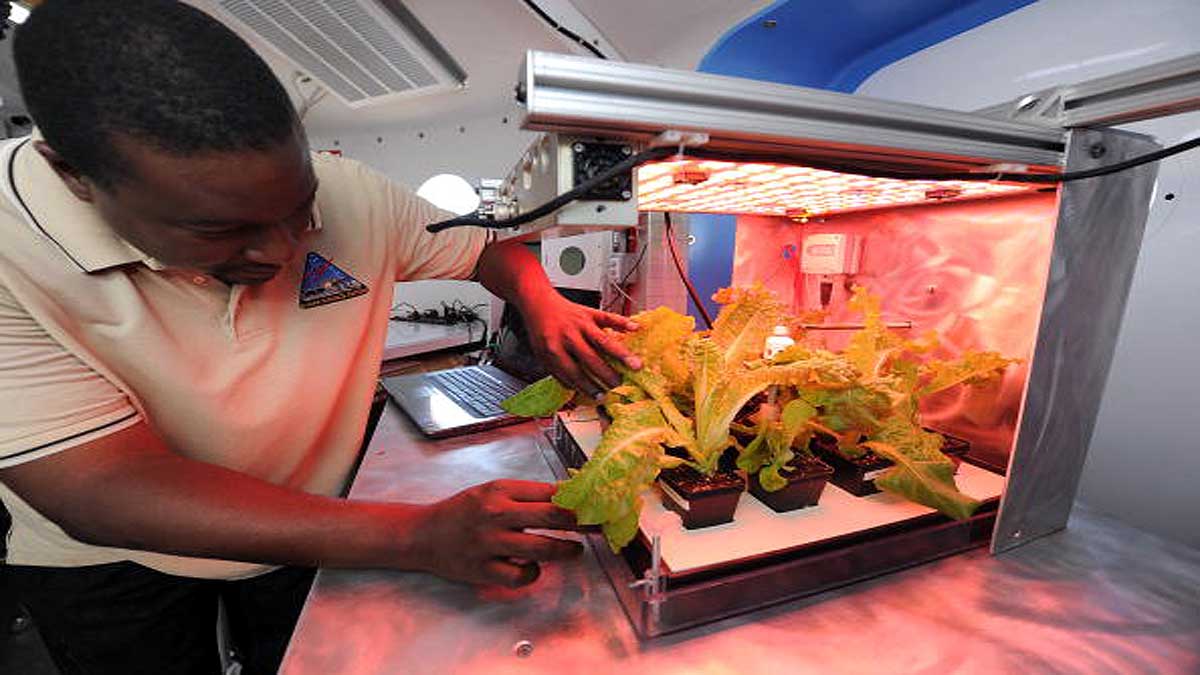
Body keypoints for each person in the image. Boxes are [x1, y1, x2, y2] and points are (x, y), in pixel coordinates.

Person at [0, 1, 641, 673]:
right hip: (112, 566)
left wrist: (545, 305)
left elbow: (491, 251)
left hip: (306, 521)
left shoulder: (349, 191)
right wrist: (415, 533)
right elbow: (102, 483)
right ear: (74, 175)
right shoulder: (13, 251)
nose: (281, 250)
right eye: (223, 231)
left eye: (300, 208)